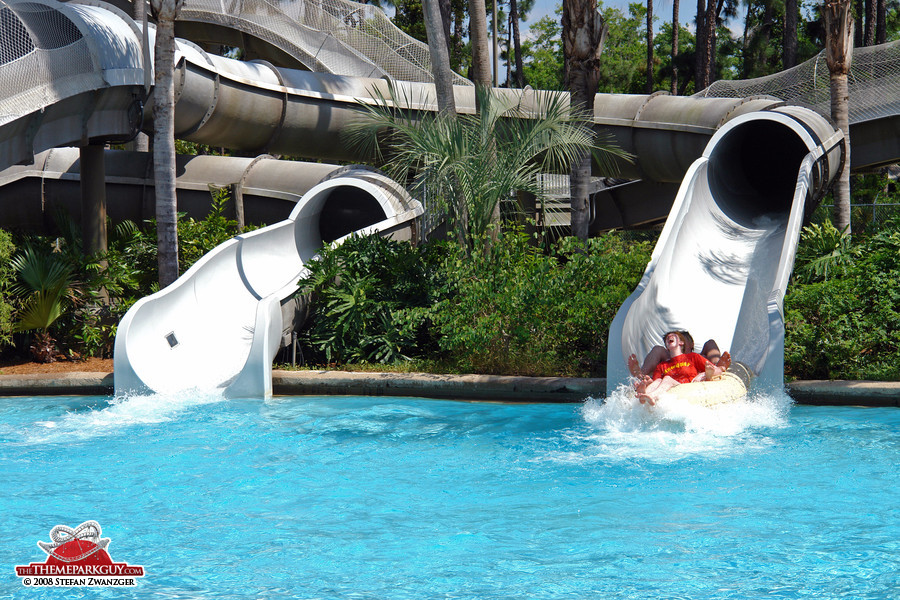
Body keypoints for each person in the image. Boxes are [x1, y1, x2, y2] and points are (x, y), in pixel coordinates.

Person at [630, 331, 731, 405]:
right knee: (659, 380)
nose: (669, 337)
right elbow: (657, 381)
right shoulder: (662, 365)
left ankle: (652, 396)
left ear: (681, 342)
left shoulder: (692, 357)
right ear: (666, 346)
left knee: (667, 378)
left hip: (687, 387)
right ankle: (644, 394)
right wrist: (648, 383)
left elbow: (713, 369)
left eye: (674, 336)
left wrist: (709, 372)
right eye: (667, 339)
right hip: (672, 388)